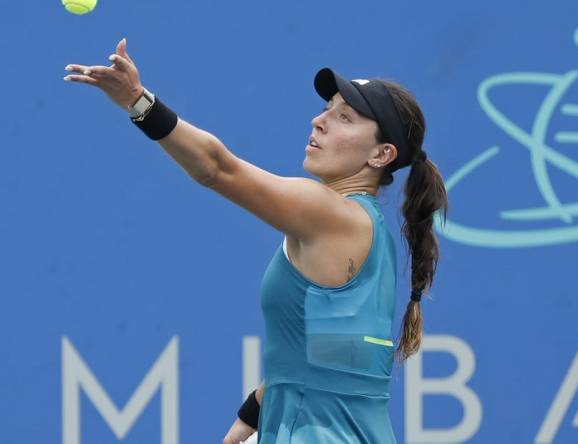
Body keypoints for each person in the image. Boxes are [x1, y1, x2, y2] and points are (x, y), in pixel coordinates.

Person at [64, 38, 449, 443]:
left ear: (381, 155)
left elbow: (216, 168)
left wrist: (138, 102)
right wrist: (252, 415)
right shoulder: (369, 233)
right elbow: (330, 353)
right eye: (326, 111)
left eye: (346, 118)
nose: (320, 122)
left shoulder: (329, 213)